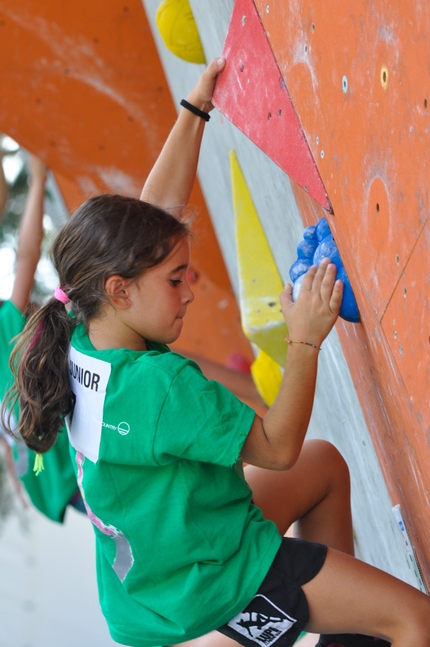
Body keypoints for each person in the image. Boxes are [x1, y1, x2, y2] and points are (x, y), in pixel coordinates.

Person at [3, 59, 430, 647]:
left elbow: (149, 221)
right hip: (210, 584)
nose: (191, 287)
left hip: (158, 577)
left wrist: (195, 109)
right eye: (176, 280)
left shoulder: (86, 325)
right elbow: (276, 448)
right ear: (121, 291)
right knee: (415, 621)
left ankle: (346, 632)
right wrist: (303, 337)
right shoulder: (157, 388)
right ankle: (344, 618)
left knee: (324, 466)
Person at [0, 153, 83, 521]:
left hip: (45, 479)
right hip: (61, 469)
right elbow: (27, 257)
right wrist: (37, 178)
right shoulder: (4, 326)